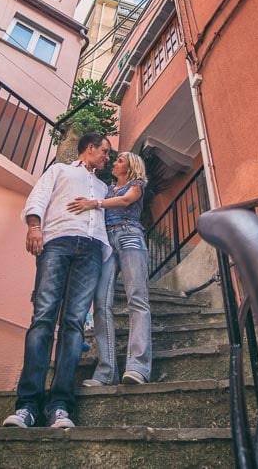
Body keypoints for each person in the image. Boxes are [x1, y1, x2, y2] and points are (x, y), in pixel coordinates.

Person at [2, 132, 112, 429]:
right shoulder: (59, 170)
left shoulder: (103, 187)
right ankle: (27, 406)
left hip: (91, 250)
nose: (107, 157)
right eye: (105, 151)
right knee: (43, 318)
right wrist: (35, 227)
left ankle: (60, 407)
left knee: (74, 324)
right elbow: (38, 197)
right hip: (58, 243)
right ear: (91, 148)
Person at [68, 151, 152, 386]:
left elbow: (126, 201)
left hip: (129, 236)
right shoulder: (107, 189)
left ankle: (138, 367)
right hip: (106, 243)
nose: (114, 163)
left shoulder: (136, 185)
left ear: (131, 166)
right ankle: (106, 372)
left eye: (120, 160)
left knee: (137, 299)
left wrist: (94, 203)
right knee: (101, 303)